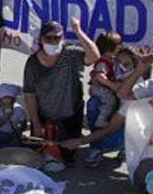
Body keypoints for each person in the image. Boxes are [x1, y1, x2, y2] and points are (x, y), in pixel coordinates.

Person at [23, 19, 100, 169]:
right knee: (37, 153)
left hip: (70, 116)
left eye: (57, 38)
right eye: (48, 38)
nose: (53, 42)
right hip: (44, 115)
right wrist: (36, 124)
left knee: (66, 155)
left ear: (63, 38)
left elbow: (94, 57)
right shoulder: (33, 62)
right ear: (41, 39)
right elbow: (29, 94)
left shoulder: (71, 54)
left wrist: (78, 31)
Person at [89, 32, 123, 128]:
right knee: (110, 100)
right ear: (110, 49)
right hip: (99, 88)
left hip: (104, 87)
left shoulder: (112, 60)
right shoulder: (102, 62)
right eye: (118, 47)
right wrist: (112, 86)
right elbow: (100, 76)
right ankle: (101, 120)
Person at [0, 83, 28, 148]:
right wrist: (5, 117)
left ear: (13, 100)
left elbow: (24, 123)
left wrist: (19, 130)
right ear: (0, 101)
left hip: (13, 134)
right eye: (4, 98)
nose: (6, 101)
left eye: (8, 98)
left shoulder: (19, 109)